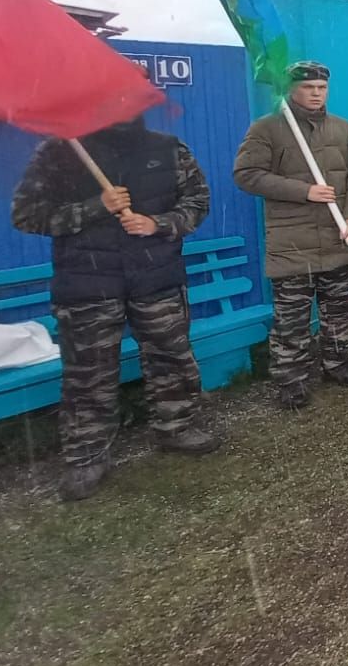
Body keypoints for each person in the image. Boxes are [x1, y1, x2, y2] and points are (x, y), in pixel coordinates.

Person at [11, 115, 220, 501]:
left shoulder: (168, 148)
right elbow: (26, 214)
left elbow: (197, 201)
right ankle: (87, 455)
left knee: (172, 358)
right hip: (88, 285)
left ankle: (175, 426)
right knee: (88, 374)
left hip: (156, 276)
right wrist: (95, 207)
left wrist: (158, 223)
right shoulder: (60, 150)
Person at [233, 61, 348, 410]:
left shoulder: (342, 128)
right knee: (292, 318)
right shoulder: (268, 129)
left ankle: (337, 363)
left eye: (321, 87)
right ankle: (290, 379)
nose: (316, 93)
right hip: (292, 244)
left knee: (340, 310)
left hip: (338, 237)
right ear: (291, 89)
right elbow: (246, 175)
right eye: (308, 87)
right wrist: (303, 191)